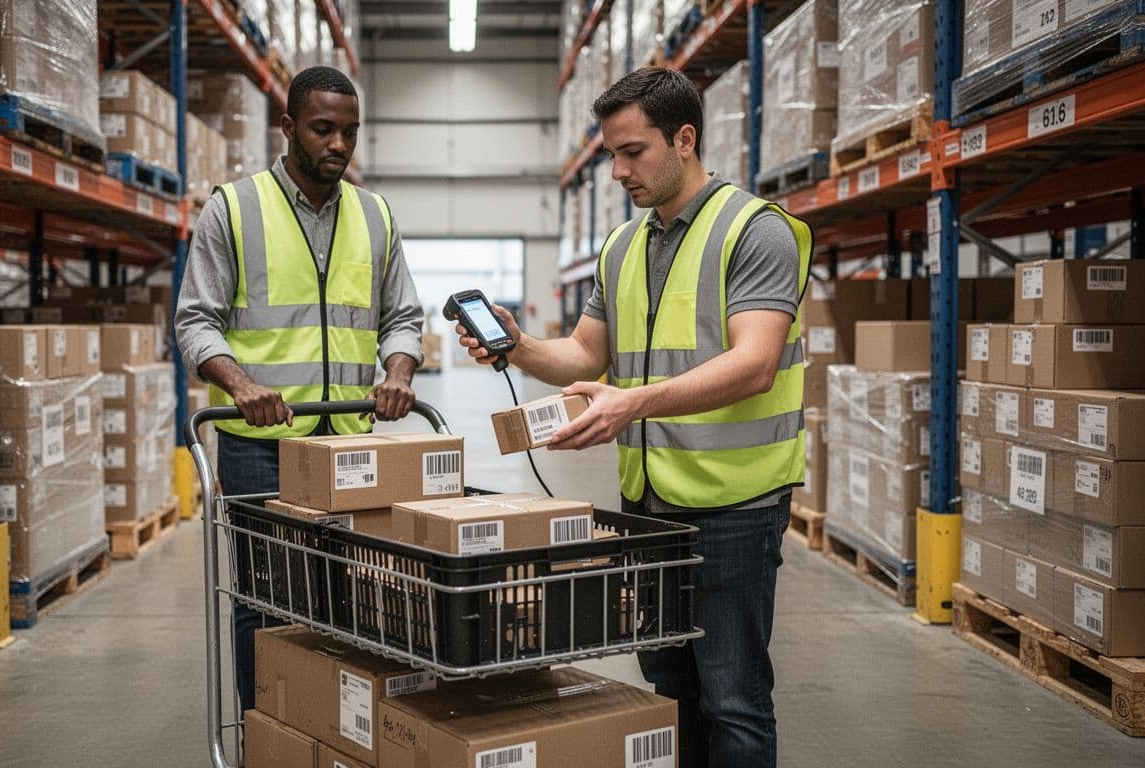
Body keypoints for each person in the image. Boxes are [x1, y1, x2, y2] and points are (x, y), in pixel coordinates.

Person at [457, 67, 812, 768]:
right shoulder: (623, 247)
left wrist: (633, 402)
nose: (617, 171)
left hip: (735, 505)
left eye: (632, 151)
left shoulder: (755, 231)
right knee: (668, 687)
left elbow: (756, 363)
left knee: (733, 698)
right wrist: (518, 344)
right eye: (610, 154)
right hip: (648, 504)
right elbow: (586, 353)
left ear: (684, 140)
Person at [175, 66, 424, 712]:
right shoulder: (234, 208)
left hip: (348, 436)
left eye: (350, 132)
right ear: (287, 128)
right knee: (266, 601)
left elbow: (402, 316)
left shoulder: (375, 217)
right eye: (323, 129)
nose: (338, 144)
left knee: (350, 603)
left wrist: (398, 371)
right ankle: (268, 733)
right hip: (263, 443)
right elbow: (196, 319)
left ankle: (331, 735)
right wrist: (241, 384)